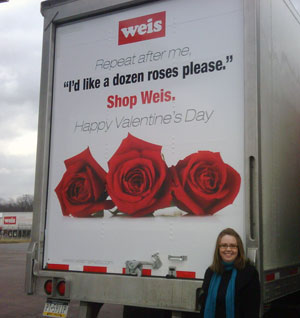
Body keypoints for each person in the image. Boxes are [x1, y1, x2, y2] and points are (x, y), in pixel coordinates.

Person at [199, 228, 260, 318]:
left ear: (239, 249)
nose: (228, 249)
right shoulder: (210, 272)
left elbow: (252, 311)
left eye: (233, 246)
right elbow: (203, 306)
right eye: (224, 245)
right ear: (218, 249)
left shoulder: (249, 273)